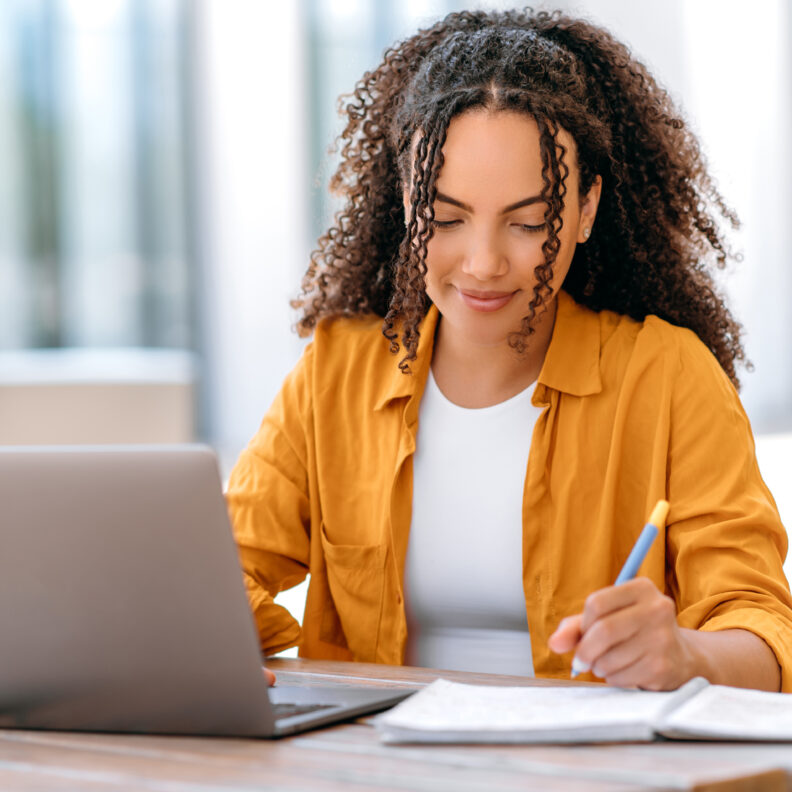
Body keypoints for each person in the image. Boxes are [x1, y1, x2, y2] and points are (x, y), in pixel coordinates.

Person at [227, 8, 792, 692]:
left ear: (585, 210)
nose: (484, 263)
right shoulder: (336, 370)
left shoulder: (668, 376)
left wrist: (689, 655)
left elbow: (762, 630)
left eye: (529, 223)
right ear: (407, 203)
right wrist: (207, 641)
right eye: (445, 218)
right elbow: (219, 570)